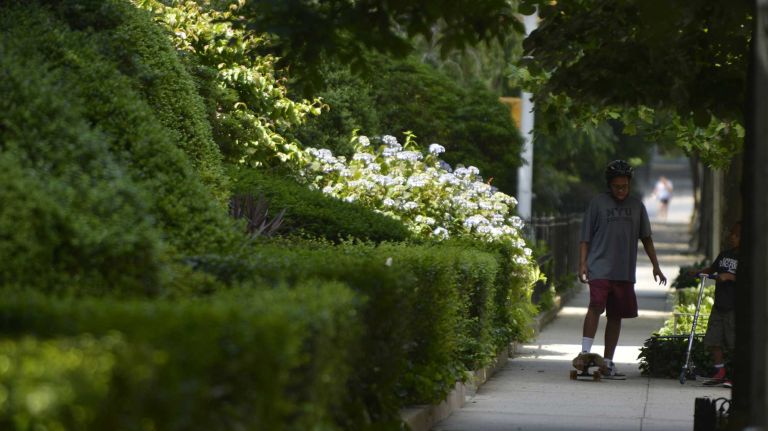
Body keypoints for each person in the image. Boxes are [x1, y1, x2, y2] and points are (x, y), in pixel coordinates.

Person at [578, 160, 667, 379]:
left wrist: (656, 265)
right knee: (595, 306)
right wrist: (583, 263)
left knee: (616, 315)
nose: (621, 191)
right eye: (617, 187)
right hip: (599, 267)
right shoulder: (598, 204)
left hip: (624, 271)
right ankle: (585, 355)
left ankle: (608, 362)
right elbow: (585, 237)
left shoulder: (637, 206)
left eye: (625, 186)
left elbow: (646, 238)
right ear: (609, 185)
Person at [693, 221, 740, 388]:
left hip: (734, 308)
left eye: (737, 235)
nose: (732, 238)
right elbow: (712, 269)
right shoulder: (724, 255)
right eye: (732, 234)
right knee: (714, 340)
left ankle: (736, 375)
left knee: (734, 342)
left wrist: (730, 277)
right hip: (719, 305)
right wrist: (699, 272)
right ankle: (719, 371)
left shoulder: (748, 258)